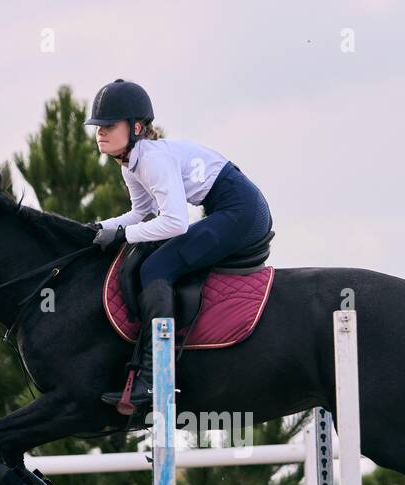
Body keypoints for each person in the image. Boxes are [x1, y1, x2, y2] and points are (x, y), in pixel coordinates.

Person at [84, 79, 273, 413]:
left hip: (242, 213)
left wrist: (122, 236)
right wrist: (98, 229)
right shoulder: (132, 162)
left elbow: (175, 222)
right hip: (228, 208)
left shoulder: (152, 160)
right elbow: (140, 214)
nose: (101, 132)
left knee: (156, 267)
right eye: (98, 126)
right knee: (155, 257)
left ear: (136, 127)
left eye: (109, 126)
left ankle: (156, 375)